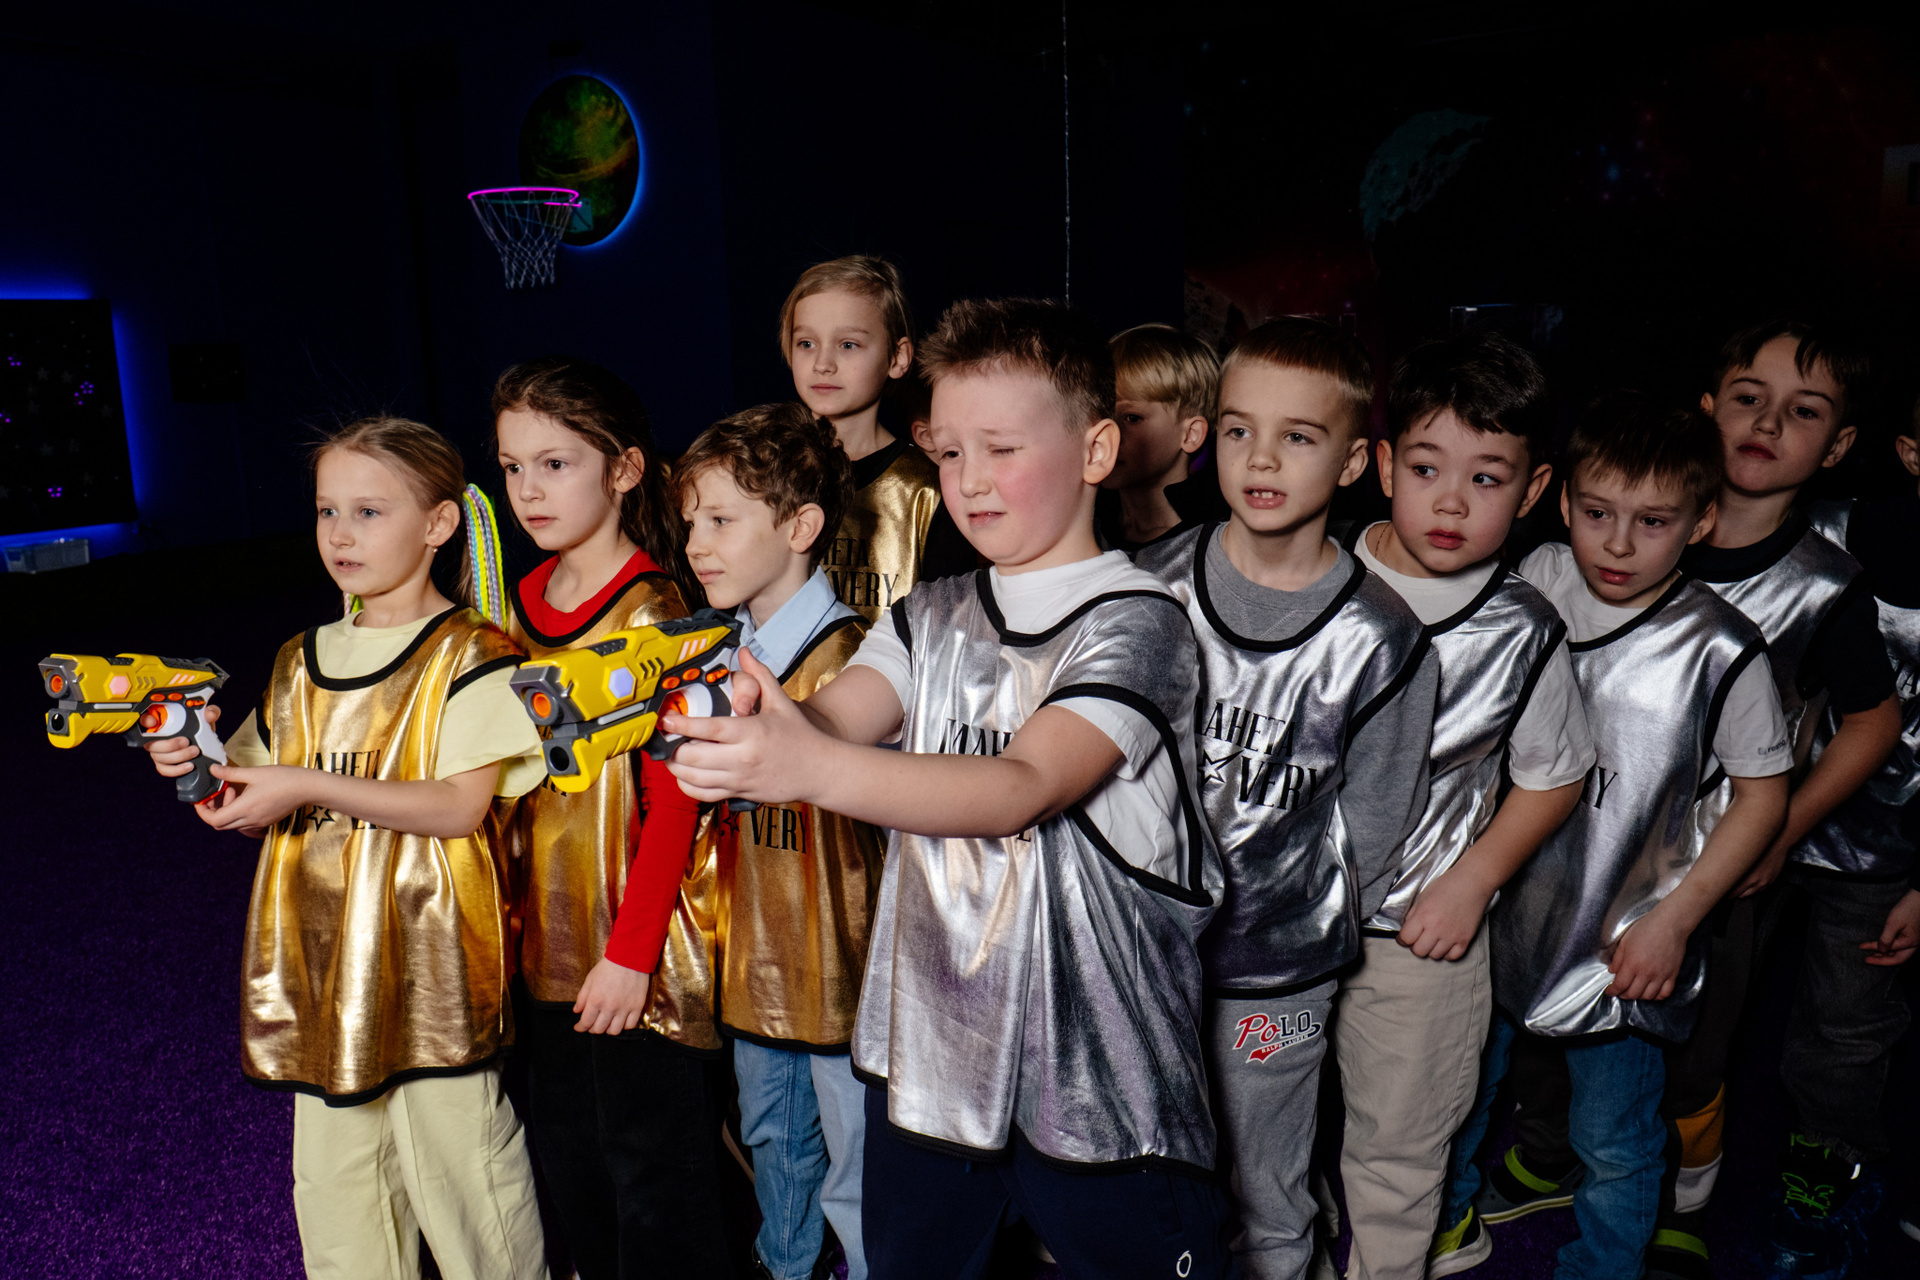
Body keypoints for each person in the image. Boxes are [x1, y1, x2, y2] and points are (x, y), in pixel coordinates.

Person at [667, 298, 1234, 1280]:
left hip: (1101, 1076)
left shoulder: (1140, 621)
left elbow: (1022, 785)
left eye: (1002, 449)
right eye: (951, 451)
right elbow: (833, 722)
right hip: (932, 1067)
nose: (969, 480)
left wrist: (800, 764)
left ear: (1097, 449)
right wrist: (755, 723)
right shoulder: (927, 613)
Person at [147, 416, 547, 1280]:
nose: (341, 534)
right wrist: (193, 761)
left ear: (438, 524)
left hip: (431, 970)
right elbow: (241, 807)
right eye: (328, 510)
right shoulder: (301, 659)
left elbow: (457, 807)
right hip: (327, 971)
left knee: (468, 1186)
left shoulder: (473, 653)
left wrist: (309, 783)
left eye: (370, 512)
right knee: (337, 1196)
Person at [1133, 317, 1440, 1280]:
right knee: (1155, 1176)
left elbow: (1378, 817)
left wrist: (1317, 913)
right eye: (1238, 429)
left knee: (1268, 1187)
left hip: (1280, 968)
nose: (1260, 458)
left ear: (1351, 462)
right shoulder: (1147, 588)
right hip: (1146, 952)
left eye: (1297, 436)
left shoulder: (1382, 637)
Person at [1475, 395, 1790, 1280]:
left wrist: (1675, 921)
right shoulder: (1538, 577)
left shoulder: (1724, 648)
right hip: (1503, 913)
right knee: (1461, 1094)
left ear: (1702, 521)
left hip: (1624, 943)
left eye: (1652, 522)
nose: (1617, 544)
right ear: (1562, 502)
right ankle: (1446, 1226)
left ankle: (1604, 1269)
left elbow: (1763, 797)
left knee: (1614, 1139)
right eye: (1597, 514)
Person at [1326, 334, 1593, 1280]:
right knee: (1263, 1142)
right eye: (1427, 468)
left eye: (1486, 478)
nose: (1450, 502)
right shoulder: (1313, 573)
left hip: (1421, 933)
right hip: (1276, 925)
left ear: (1532, 490)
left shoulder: (1523, 627)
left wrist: (1473, 881)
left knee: (1400, 1152)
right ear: (1384, 465)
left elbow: (1555, 773)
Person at [490, 357, 733, 1279]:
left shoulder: (656, 611)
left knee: (656, 1178)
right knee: (570, 1165)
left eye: (555, 465)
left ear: (625, 470)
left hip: (633, 952)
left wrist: (631, 955)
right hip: (540, 946)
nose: (528, 490)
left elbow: (677, 805)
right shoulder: (511, 608)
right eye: (513, 467)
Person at [674, 403, 879, 1280]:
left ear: (800, 528)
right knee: (770, 1140)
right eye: (692, 523)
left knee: (859, 1168)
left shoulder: (857, 659)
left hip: (843, 969)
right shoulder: (716, 652)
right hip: (757, 956)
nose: (696, 545)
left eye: (721, 521)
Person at [1767, 389, 1920, 1272]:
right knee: (1707, 999)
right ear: (1909, 452)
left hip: (1887, 848)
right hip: (1759, 815)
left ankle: (1824, 1188)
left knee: (1846, 1030)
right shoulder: (1828, 529)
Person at [781, 255, 975, 617]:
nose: (822, 364)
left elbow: (952, 627)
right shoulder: (762, 477)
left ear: (897, 358)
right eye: (806, 343)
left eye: (847, 345)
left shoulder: (929, 492)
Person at [1096, 323, 1218, 549]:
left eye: (1132, 418)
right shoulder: (1088, 528)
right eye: (1101, 415)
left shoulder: (1212, 545)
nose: (1107, 433)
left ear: (1190, 435)